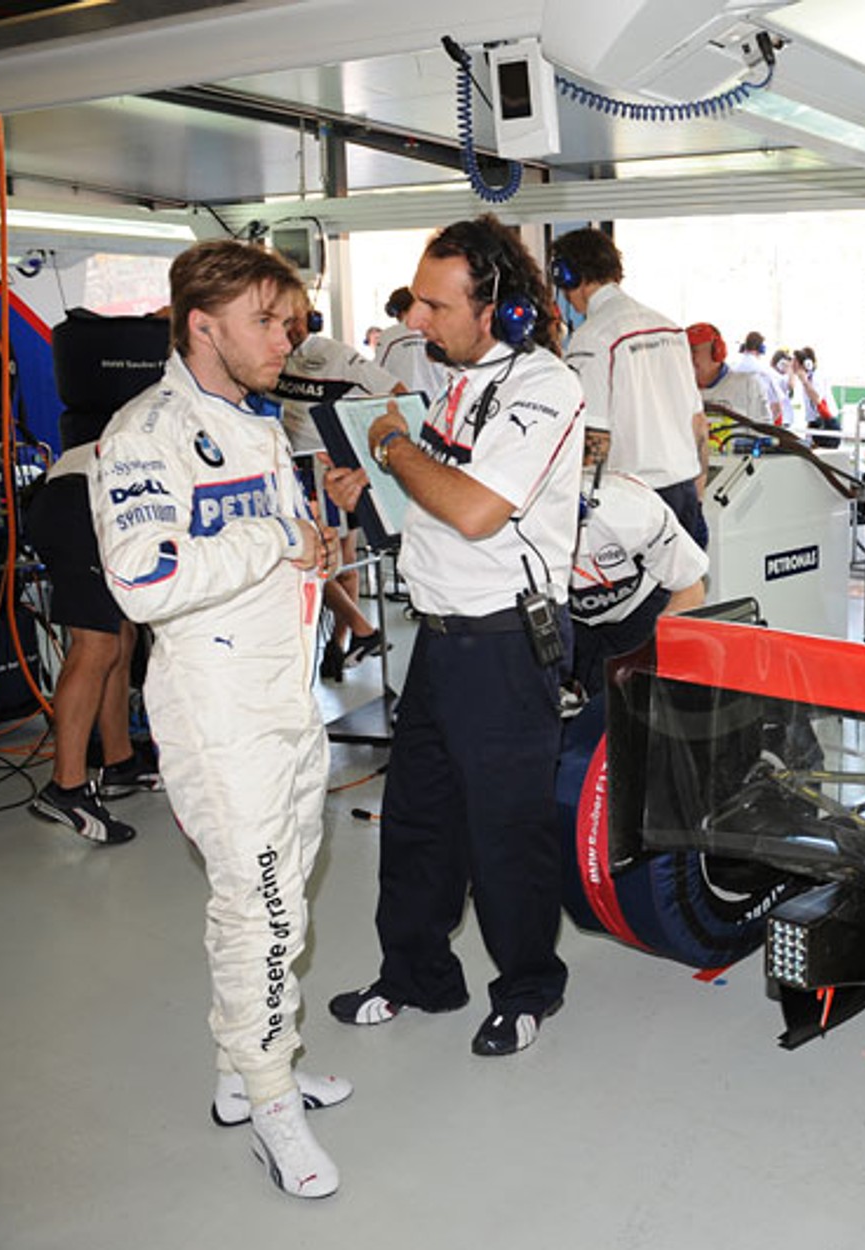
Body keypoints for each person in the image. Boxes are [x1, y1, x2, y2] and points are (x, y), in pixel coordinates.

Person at [92, 239, 348, 1198]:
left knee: (283, 891)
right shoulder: (145, 432)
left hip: (285, 691)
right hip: (216, 706)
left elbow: (265, 549)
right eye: (265, 322)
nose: (287, 340)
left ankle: (243, 1070)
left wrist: (311, 549)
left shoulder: (258, 419)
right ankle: (272, 1100)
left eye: (290, 321)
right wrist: (274, 536)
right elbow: (145, 578)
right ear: (202, 327)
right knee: (262, 906)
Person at [324, 214, 582, 1060]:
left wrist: (393, 448)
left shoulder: (545, 386)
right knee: (417, 821)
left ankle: (528, 988)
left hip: (505, 643)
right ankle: (417, 974)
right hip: (438, 637)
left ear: (499, 308)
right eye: (417, 302)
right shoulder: (452, 384)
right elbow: (427, 512)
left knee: (505, 830)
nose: (417, 320)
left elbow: (474, 509)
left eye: (436, 306)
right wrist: (370, 490)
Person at [24, 443, 159, 845]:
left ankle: (120, 764)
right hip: (77, 504)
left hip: (88, 501)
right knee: (96, 643)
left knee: (122, 635)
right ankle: (65, 789)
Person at [553, 227, 709, 549]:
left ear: (568, 276)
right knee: (687, 582)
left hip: (633, 502)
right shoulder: (671, 329)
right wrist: (698, 494)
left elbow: (595, 439)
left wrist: (580, 513)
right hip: (685, 492)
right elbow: (698, 424)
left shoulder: (593, 338)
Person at [273, 286, 398, 683]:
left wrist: (370, 447)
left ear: (309, 317)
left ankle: (346, 639)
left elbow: (396, 393)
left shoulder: (336, 354)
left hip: (331, 470)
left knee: (335, 563)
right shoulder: (271, 354)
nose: (289, 329)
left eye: (295, 319)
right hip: (294, 468)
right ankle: (354, 636)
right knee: (322, 561)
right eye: (280, 320)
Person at [569, 434, 708, 697]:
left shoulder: (636, 509)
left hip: (641, 615)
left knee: (638, 703)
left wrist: (653, 658)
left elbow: (690, 589)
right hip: (573, 623)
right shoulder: (520, 522)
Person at [686, 320, 776, 428]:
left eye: (693, 351)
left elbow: (765, 431)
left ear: (717, 351)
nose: (687, 358)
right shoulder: (680, 390)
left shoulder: (748, 385)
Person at [372, 284, 448, 400]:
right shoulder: (438, 333)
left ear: (396, 312)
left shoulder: (389, 337)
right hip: (437, 403)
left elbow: (377, 375)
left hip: (403, 404)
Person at [727, 329, 788, 426]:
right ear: (761, 349)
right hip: (759, 424)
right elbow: (777, 406)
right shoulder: (765, 371)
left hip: (736, 424)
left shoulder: (732, 368)